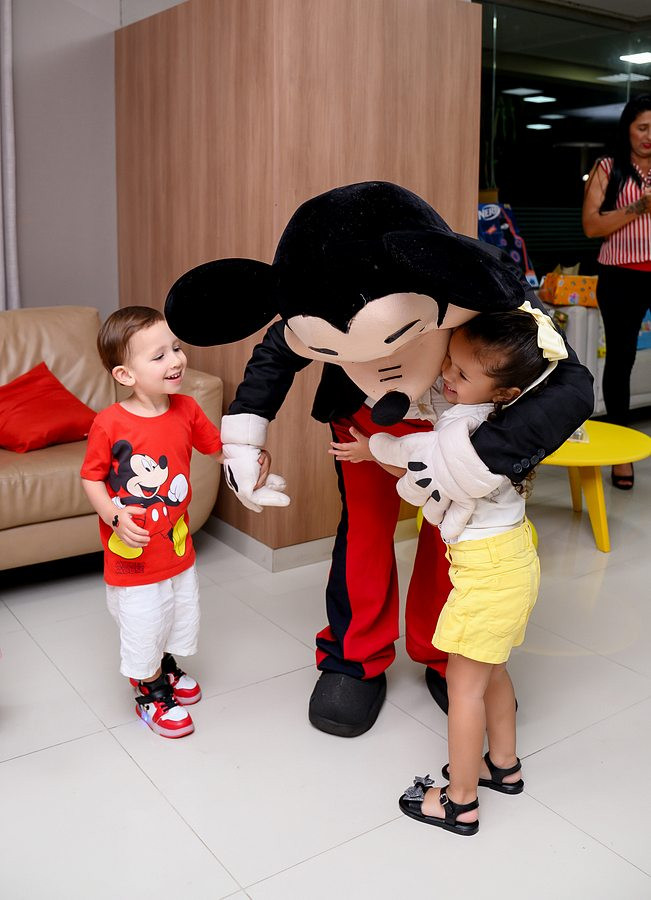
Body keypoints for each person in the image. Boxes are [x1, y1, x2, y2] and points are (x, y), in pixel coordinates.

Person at [165, 181, 594, 738]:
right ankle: (354, 657)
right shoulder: (314, 297)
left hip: (456, 422)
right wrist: (243, 441)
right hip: (362, 425)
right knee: (365, 534)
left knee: (451, 541)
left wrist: (475, 458)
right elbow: (276, 353)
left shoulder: (476, 282)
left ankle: (448, 652)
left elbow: (569, 383)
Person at [365, 304, 567, 836]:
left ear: (502, 391)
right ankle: (503, 765)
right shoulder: (508, 420)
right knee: (493, 669)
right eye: (449, 363)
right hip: (514, 558)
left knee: (463, 688)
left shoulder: (465, 434)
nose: (447, 377)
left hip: (487, 574)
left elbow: (414, 456)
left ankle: (459, 801)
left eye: (461, 373)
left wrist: (369, 447)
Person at [81, 306, 269, 739]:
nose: (176, 360)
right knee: (144, 621)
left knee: (177, 611)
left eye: (177, 348)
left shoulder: (186, 409)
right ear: (126, 375)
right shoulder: (110, 423)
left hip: (176, 548)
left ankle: (164, 664)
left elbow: (218, 450)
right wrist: (114, 515)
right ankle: (150, 692)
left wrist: (251, 460)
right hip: (134, 556)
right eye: (159, 355)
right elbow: (91, 477)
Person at [582, 93, 651, 490]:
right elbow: (591, 226)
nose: (648, 136)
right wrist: (638, 207)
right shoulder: (608, 168)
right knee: (621, 360)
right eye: (642, 127)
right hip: (621, 275)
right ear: (628, 128)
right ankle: (622, 455)